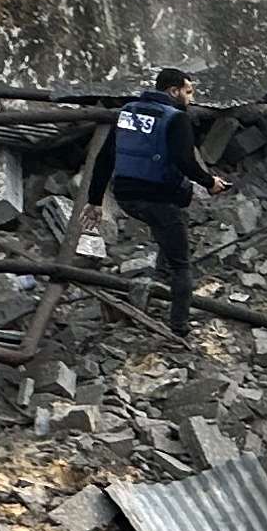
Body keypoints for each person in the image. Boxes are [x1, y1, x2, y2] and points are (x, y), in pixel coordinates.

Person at [95, 67, 223, 344]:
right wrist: (209, 181)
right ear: (173, 91)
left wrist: (95, 200)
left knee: (171, 221)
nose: (191, 98)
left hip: (127, 197)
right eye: (188, 92)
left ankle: (160, 277)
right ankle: (179, 328)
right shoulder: (176, 119)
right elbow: (185, 162)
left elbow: (105, 157)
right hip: (157, 197)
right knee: (182, 264)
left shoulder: (128, 112)